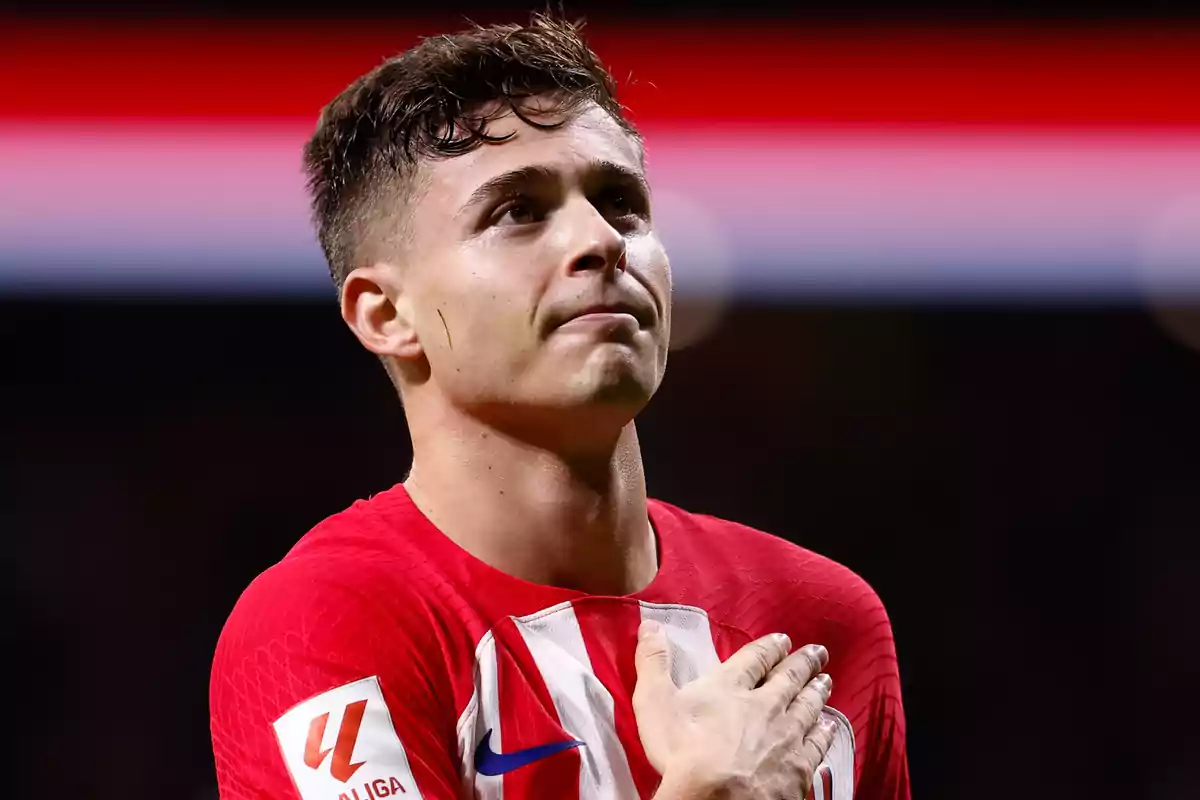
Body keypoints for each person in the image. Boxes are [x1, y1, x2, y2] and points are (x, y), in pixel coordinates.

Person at [209, 14, 909, 800]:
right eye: (519, 212)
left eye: (621, 201)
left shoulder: (821, 625)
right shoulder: (325, 624)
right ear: (387, 315)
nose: (602, 239)